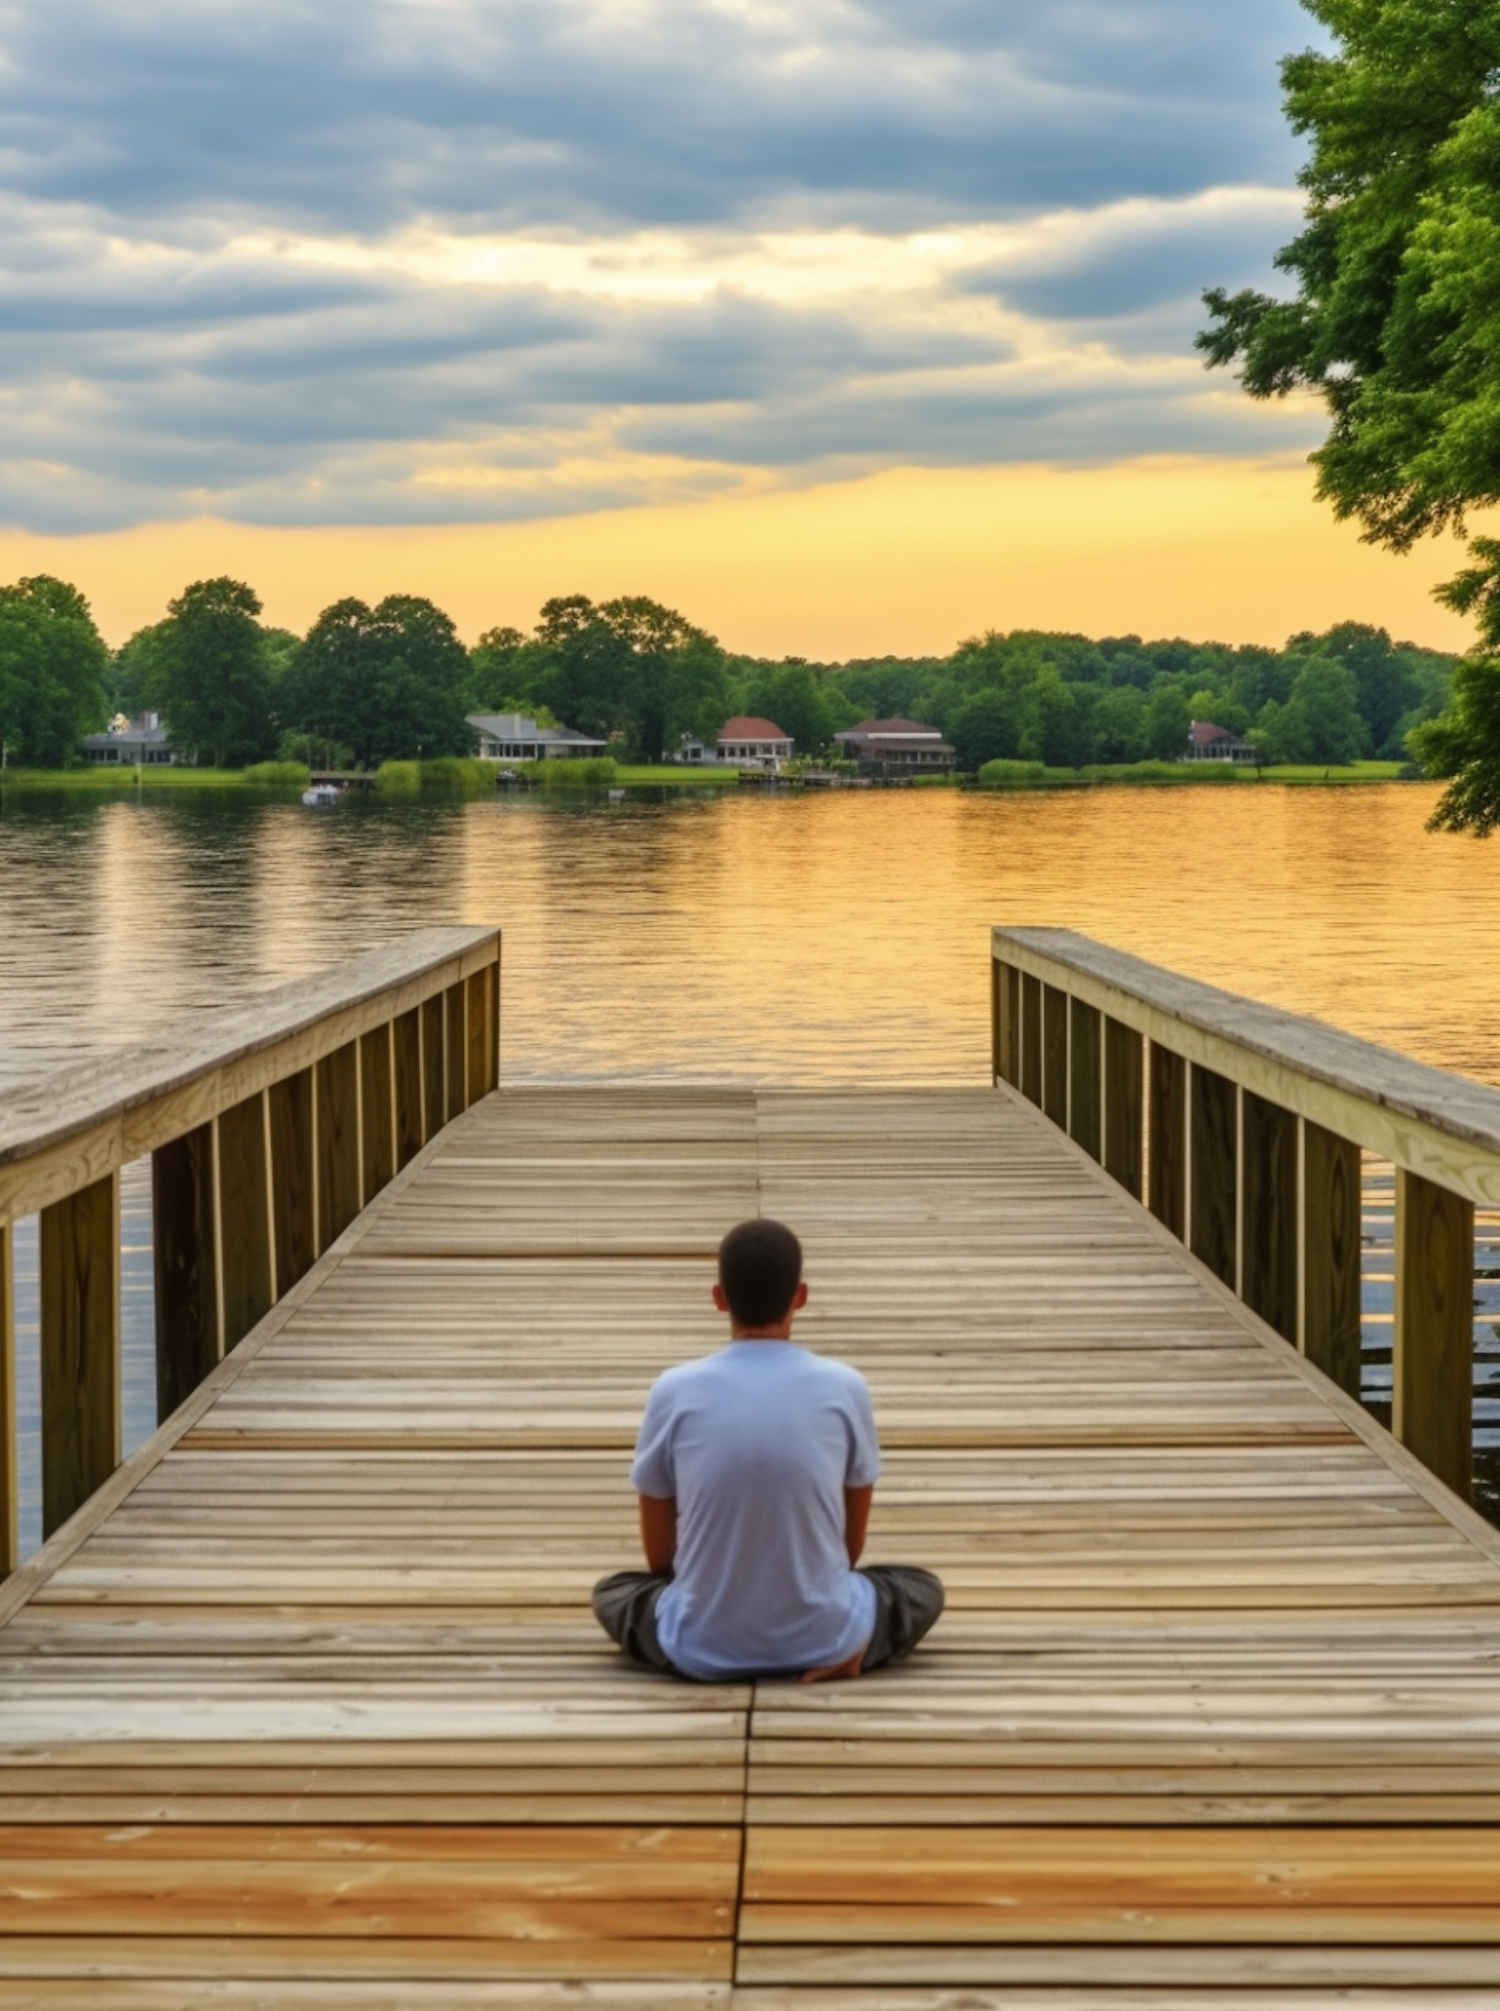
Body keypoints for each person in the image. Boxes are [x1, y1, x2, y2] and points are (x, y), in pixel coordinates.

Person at [592, 1218, 944, 1681]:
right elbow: (847, 1551)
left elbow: (661, 1562)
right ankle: (850, 1648)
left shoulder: (673, 1390)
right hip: (825, 1634)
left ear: (719, 1298)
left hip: (700, 1646)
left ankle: (718, 1633)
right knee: (921, 1587)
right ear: (800, 1296)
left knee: (614, 1592)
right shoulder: (845, 1387)